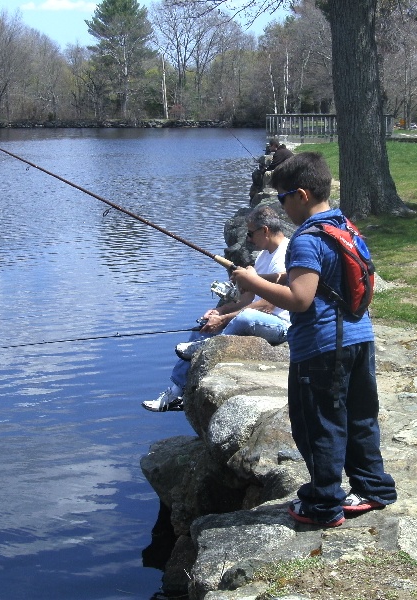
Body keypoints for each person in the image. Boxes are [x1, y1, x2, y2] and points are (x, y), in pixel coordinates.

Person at [230, 152, 397, 527]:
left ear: (301, 195)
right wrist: (276, 280)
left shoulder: (305, 239)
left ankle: (323, 503)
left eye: (283, 198)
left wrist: (251, 281)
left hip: (321, 350)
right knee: (360, 418)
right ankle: (373, 488)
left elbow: (301, 301)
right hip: (359, 338)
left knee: (318, 424)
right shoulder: (344, 227)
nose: (281, 208)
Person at [142, 205, 291, 412]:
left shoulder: (285, 256)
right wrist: (219, 312)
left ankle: (208, 348)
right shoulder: (262, 256)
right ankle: (177, 392)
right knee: (204, 324)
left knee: (244, 317)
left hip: (281, 325)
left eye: (250, 233)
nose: (248, 239)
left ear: (265, 230)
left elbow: (268, 304)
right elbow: (248, 297)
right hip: (254, 317)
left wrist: (226, 318)